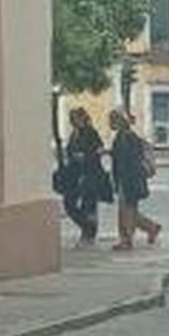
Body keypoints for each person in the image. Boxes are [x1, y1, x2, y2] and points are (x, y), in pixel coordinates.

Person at [107, 109, 161, 249]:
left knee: (126, 211)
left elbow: (128, 160)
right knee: (129, 211)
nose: (110, 122)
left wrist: (123, 181)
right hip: (128, 180)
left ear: (121, 121)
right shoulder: (124, 136)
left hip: (129, 180)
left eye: (113, 119)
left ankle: (126, 240)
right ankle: (151, 227)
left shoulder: (127, 137)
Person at [59, 106, 109, 245]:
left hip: (90, 173)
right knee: (69, 204)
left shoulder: (90, 132)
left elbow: (99, 149)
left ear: (82, 118)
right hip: (74, 174)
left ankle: (89, 234)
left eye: (74, 118)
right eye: (71, 119)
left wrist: (85, 156)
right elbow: (70, 151)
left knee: (89, 204)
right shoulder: (74, 133)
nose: (72, 121)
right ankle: (87, 227)